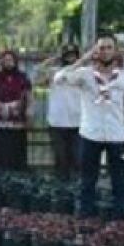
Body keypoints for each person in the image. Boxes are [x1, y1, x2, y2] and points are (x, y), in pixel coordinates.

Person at [54, 34, 124, 219]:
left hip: (117, 135)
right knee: (87, 180)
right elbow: (59, 79)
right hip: (90, 134)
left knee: (119, 180)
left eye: (109, 47)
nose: (105, 51)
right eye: (101, 48)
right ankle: (86, 217)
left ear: (115, 51)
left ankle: (118, 218)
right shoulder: (85, 74)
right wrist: (82, 59)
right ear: (95, 51)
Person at [34, 43, 82, 179]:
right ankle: (61, 188)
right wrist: (53, 59)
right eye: (67, 55)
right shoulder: (54, 72)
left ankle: (77, 187)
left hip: (77, 122)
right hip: (57, 122)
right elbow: (37, 76)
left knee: (78, 159)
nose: (70, 58)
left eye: (73, 55)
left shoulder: (83, 72)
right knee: (61, 159)